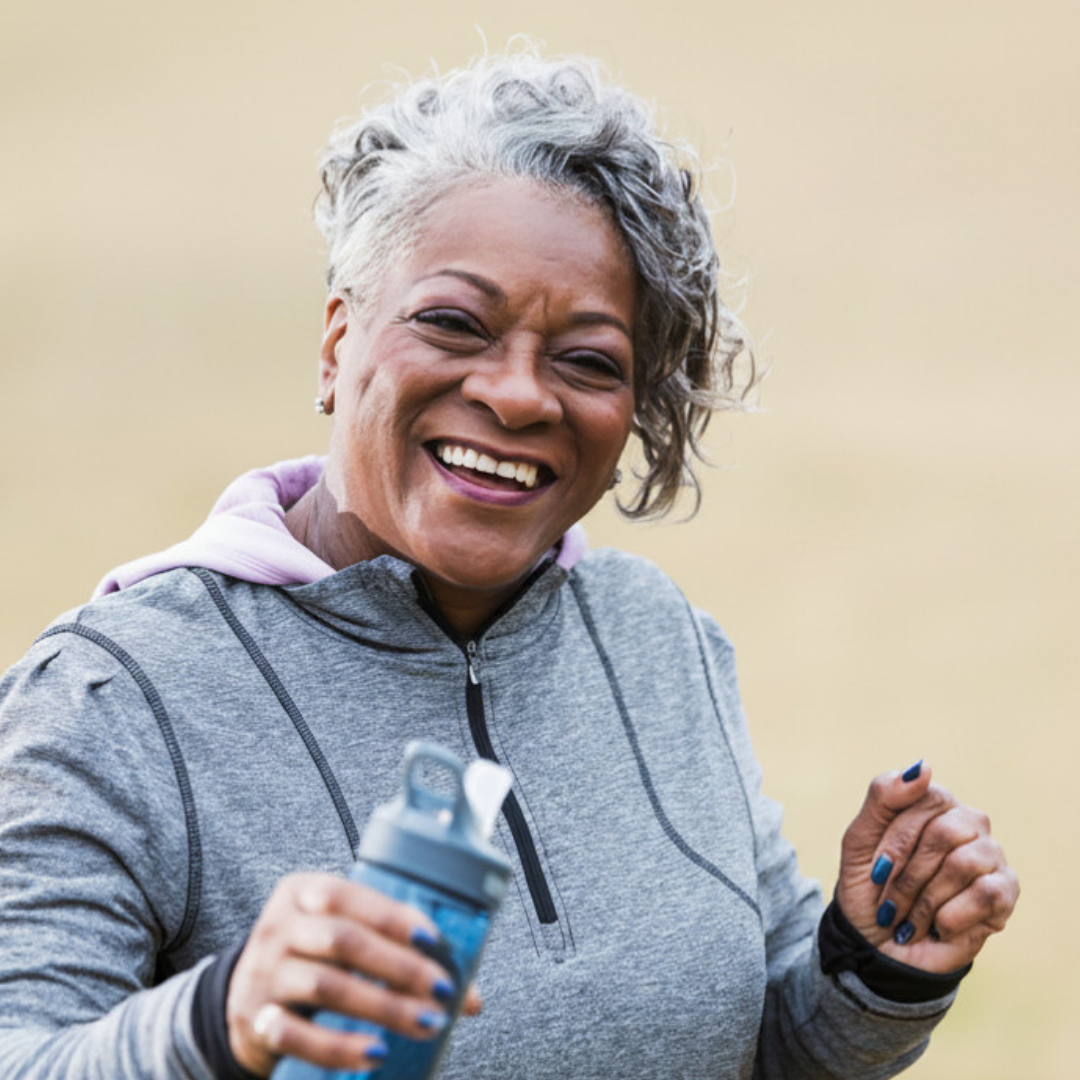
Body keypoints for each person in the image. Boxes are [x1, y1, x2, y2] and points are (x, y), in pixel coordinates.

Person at [0, 48, 1017, 1080]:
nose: (521, 394)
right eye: (453, 323)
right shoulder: (114, 698)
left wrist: (874, 965)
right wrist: (214, 1024)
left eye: (588, 360)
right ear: (337, 342)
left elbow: (755, 1050)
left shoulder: (651, 637)